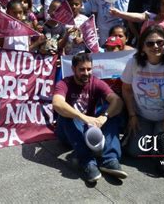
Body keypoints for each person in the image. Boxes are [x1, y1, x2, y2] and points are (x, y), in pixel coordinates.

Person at [53, 53, 126, 182]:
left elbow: (117, 101)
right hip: (66, 132)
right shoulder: (64, 83)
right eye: (81, 69)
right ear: (73, 69)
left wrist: (105, 117)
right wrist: (83, 117)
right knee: (66, 114)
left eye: (89, 69)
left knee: (110, 112)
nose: (86, 73)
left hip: (87, 130)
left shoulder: (96, 82)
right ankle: (87, 162)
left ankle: (109, 160)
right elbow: (57, 103)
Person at [121, 25, 164, 157]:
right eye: (150, 43)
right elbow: (126, 89)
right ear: (143, 47)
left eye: (160, 42)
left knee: (157, 154)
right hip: (142, 116)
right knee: (136, 153)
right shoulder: (133, 63)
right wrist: (132, 115)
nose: (156, 46)